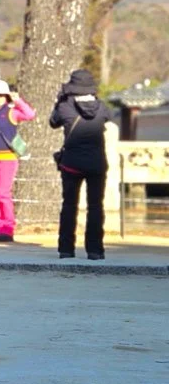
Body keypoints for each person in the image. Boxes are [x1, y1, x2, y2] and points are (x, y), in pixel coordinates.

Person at [50, 69, 118, 260]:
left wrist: (60, 101)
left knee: (70, 205)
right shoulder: (102, 107)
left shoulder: (64, 107)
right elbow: (109, 117)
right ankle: (95, 250)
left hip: (71, 163)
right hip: (97, 163)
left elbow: (53, 122)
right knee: (96, 206)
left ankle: (66, 249)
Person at [0, 78, 36, 243]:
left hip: (8, 158)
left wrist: (18, 101)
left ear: (6, 97)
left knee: (3, 194)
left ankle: (7, 228)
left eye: (1, 95)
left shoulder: (12, 112)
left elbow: (30, 115)